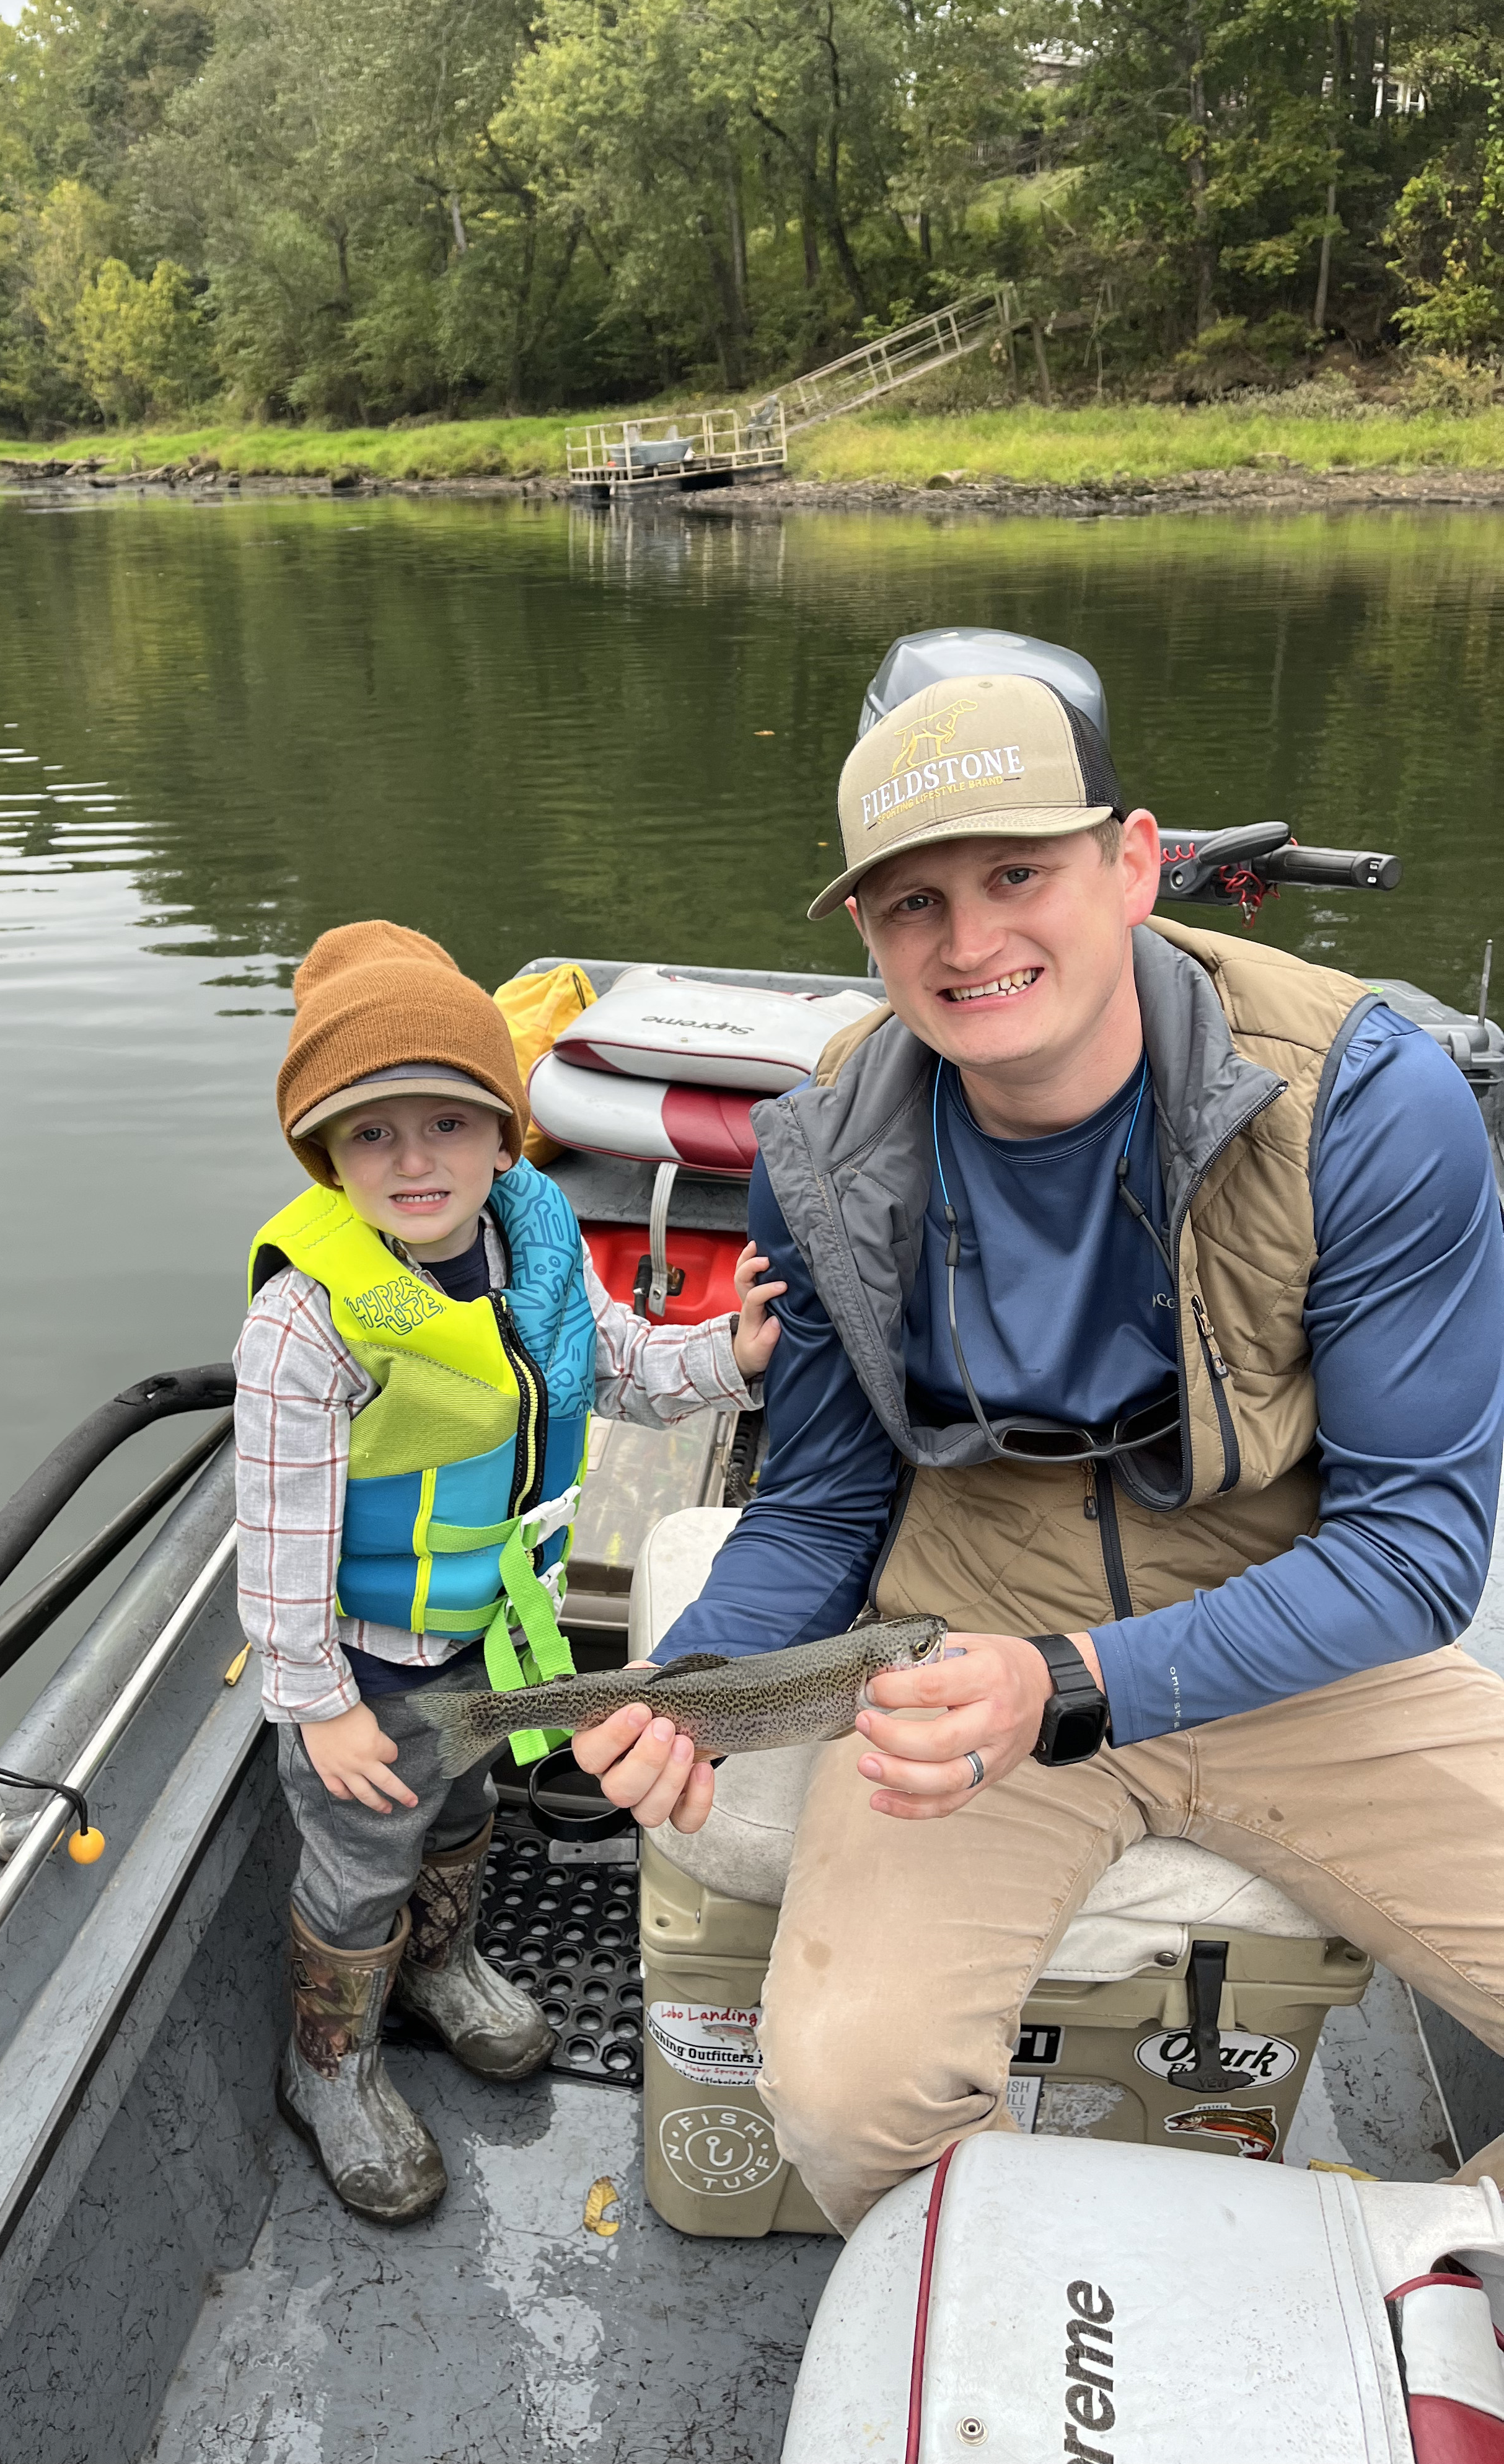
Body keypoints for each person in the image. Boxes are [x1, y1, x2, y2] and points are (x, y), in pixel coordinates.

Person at [574, 660, 1504, 2233]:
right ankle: (1021, 2292)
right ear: (866, 934)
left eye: (1020, 873)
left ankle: (1401, 2277)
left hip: (1305, 1626)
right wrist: (699, 1692)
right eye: (912, 903)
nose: (973, 940)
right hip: (958, 1641)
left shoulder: (1367, 1099)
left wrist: (1080, 1683)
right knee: (844, 2092)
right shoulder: (829, 1149)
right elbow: (815, 1508)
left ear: (1133, 861)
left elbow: (1415, 1552)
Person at [235, 919, 783, 2224]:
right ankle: (330, 2064)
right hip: (370, 1663)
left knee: (467, 1812)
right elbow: (278, 1531)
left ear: (501, 1135)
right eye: (373, 1133)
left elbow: (619, 1369)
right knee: (362, 1859)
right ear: (329, 1154)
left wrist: (731, 1358)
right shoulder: (305, 1320)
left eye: (448, 1124)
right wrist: (316, 1704)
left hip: (507, 1629)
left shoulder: (534, 1241)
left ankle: (442, 1965)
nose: (415, 1160)